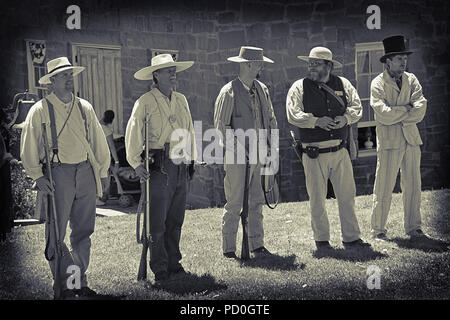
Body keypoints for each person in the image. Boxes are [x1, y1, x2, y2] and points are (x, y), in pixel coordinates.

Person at [20, 57, 111, 299]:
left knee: (83, 231)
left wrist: (102, 171)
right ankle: (64, 284)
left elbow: (98, 142)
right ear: (51, 81)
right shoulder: (39, 109)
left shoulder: (84, 107)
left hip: (84, 172)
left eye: (70, 75)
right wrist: (37, 176)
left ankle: (78, 282)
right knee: (56, 232)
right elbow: (29, 145)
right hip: (58, 173)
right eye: (63, 76)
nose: (69, 80)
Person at [286, 47, 370, 250]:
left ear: (329, 66)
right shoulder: (300, 86)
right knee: (317, 200)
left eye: (316, 63)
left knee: (347, 197)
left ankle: (351, 237)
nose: (311, 67)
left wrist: (345, 118)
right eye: (310, 63)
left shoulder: (343, 83)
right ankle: (322, 240)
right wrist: (316, 121)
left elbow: (357, 107)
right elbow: (292, 114)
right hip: (313, 152)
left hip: (340, 151)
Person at [125, 53, 197, 286]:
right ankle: (160, 267)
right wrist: (136, 164)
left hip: (179, 162)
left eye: (173, 70)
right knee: (157, 221)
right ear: (156, 75)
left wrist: (191, 160)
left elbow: (189, 131)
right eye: (168, 70)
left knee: (176, 218)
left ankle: (174, 263)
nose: (173, 74)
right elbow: (134, 134)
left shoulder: (182, 100)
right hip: (158, 164)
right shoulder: (145, 102)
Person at [214, 46, 278, 259]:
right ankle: (229, 249)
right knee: (234, 203)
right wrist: (241, 150)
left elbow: (270, 120)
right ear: (248, 65)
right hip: (237, 156)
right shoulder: (228, 91)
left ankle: (256, 244)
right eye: (259, 63)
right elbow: (221, 127)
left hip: (260, 153)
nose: (261, 67)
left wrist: (271, 148)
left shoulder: (262, 89)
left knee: (257, 200)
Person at [370, 35, 427, 240]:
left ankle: (414, 227)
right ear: (388, 61)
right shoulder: (378, 83)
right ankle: (378, 229)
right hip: (389, 141)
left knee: (413, 185)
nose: (403, 62)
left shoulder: (412, 80)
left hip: (411, 138)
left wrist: (398, 113)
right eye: (399, 58)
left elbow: (421, 108)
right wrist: (406, 110)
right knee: (384, 185)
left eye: (405, 58)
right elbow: (383, 114)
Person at [97, 109, 120, 205]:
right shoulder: (107, 130)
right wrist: (117, 161)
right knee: (104, 176)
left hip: (93, 155)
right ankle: (101, 197)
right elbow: (112, 147)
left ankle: (98, 197)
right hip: (104, 156)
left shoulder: (96, 126)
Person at [0, 109, 15, 242]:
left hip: (3, 171)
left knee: (5, 202)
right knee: (3, 202)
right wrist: (8, 157)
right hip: (2, 170)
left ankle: (4, 233)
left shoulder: (2, 133)